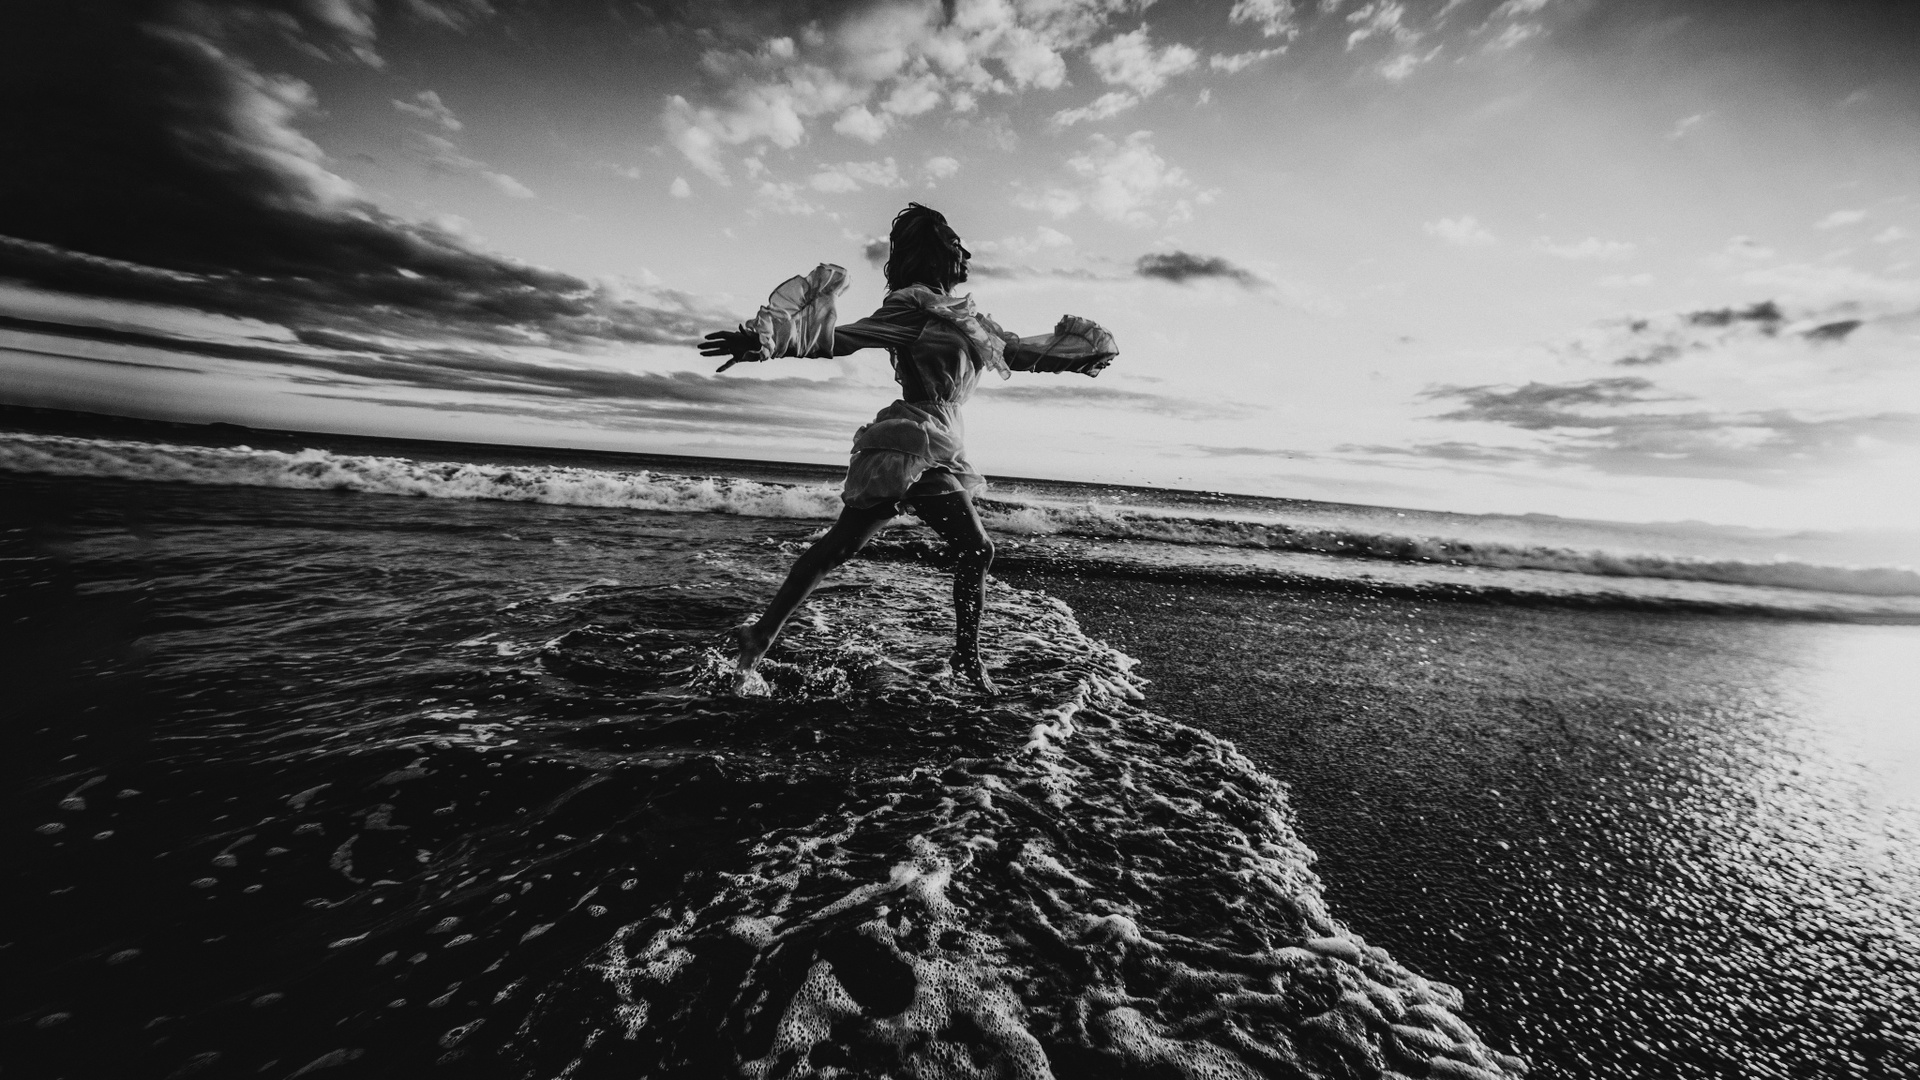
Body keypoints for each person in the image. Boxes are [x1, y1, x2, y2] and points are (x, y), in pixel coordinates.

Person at [701, 203, 1115, 694]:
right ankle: (966, 659)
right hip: (915, 439)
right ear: (936, 253)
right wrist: (766, 343)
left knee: (841, 547)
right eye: (956, 244)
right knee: (975, 548)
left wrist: (1081, 352)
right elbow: (845, 338)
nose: (966, 253)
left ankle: (760, 636)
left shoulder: (967, 318)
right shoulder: (911, 306)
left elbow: (1016, 352)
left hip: (941, 440)